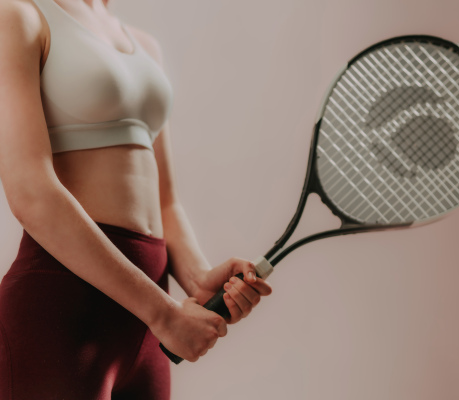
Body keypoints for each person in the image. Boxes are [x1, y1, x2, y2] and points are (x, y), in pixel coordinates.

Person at [0, 0, 273, 398]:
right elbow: (31, 191)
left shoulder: (145, 46)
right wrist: (163, 313)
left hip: (146, 332)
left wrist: (198, 279)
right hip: (61, 316)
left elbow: (166, 202)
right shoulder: (20, 16)